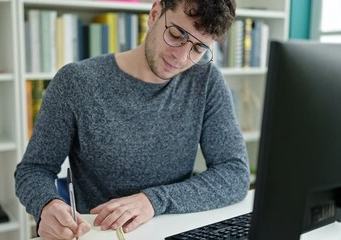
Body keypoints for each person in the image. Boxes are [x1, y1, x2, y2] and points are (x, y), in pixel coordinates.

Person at [15, 0, 250, 239]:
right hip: (102, 233)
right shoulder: (76, 82)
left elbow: (235, 173)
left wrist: (153, 200)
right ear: (155, 13)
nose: (181, 57)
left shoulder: (206, 80)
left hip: (173, 230)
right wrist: (46, 205)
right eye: (177, 35)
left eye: (198, 49)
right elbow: (34, 169)